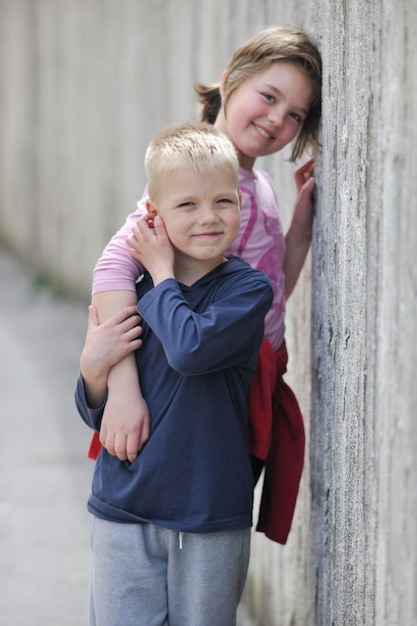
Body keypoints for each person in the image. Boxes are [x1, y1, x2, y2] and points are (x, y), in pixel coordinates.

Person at [88, 25, 322, 544]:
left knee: (215, 518)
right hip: (194, 371)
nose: (276, 120)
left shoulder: (255, 184)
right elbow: (113, 266)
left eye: (295, 116)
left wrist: (298, 234)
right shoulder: (191, 175)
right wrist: (124, 387)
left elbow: (269, 287)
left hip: (244, 370)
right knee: (188, 522)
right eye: (268, 96)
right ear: (229, 81)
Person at [76, 121, 273, 626]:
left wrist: (163, 274)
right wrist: (93, 371)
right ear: (154, 215)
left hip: (207, 512)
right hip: (124, 505)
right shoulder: (131, 291)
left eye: (223, 201)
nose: (208, 217)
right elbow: (96, 408)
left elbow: (190, 348)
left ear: (240, 205)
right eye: (187, 204)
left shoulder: (246, 292)